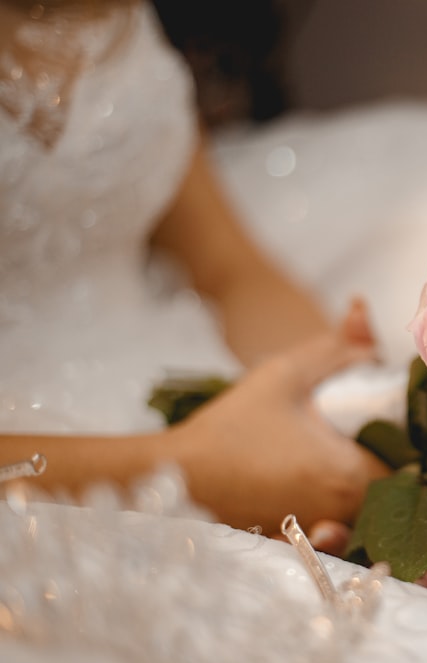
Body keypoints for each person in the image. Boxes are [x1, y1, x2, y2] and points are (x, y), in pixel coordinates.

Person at [0, 0, 388, 543]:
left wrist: (343, 406)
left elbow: (226, 265)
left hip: (178, 383)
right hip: (49, 494)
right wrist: (185, 472)